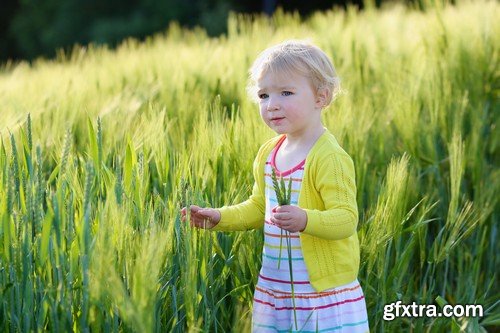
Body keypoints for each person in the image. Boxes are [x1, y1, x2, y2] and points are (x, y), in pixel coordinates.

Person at [181, 40, 369, 332]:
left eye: (286, 92)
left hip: (318, 297)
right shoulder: (268, 153)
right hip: (276, 289)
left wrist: (305, 219)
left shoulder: (329, 157)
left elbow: (346, 218)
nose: (272, 104)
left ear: (321, 97)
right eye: (264, 95)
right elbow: (259, 207)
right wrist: (219, 217)